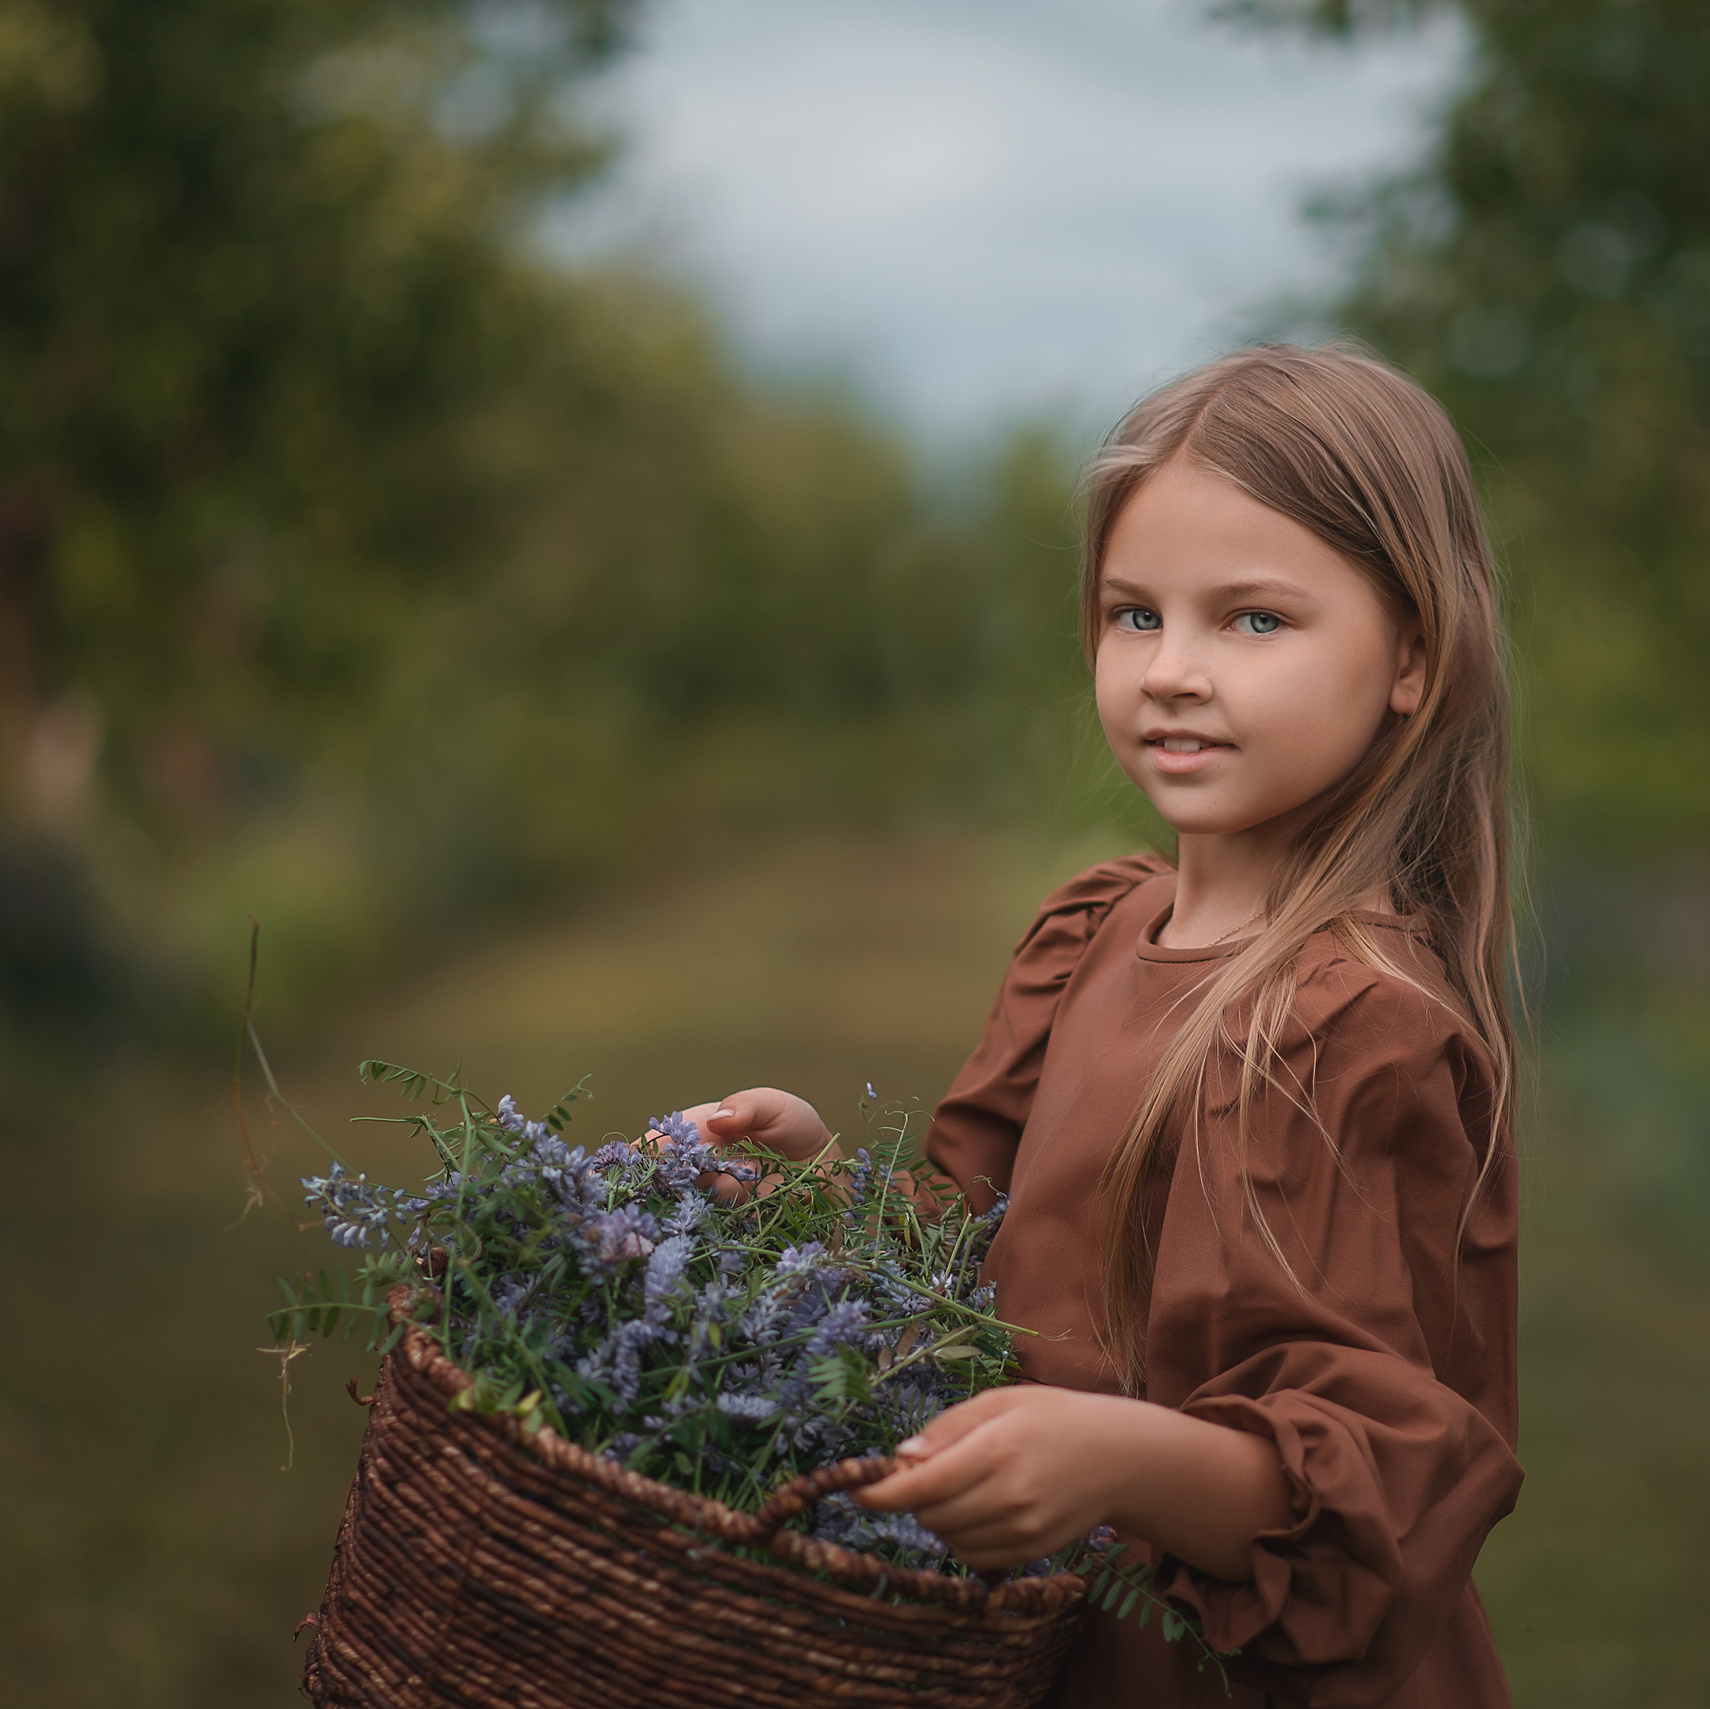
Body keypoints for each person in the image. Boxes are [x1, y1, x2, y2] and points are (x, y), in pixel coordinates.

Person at [676, 344, 1522, 1708]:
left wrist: (1122, 1458)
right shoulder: (1092, 935)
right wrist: (824, 1181)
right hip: (1045, 1642)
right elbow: (988, 1254)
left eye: (1253, 620)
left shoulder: (1359, 1027)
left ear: (1411, 656)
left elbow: (1384, 1477)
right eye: (1136, 615)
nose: (1173, 670)